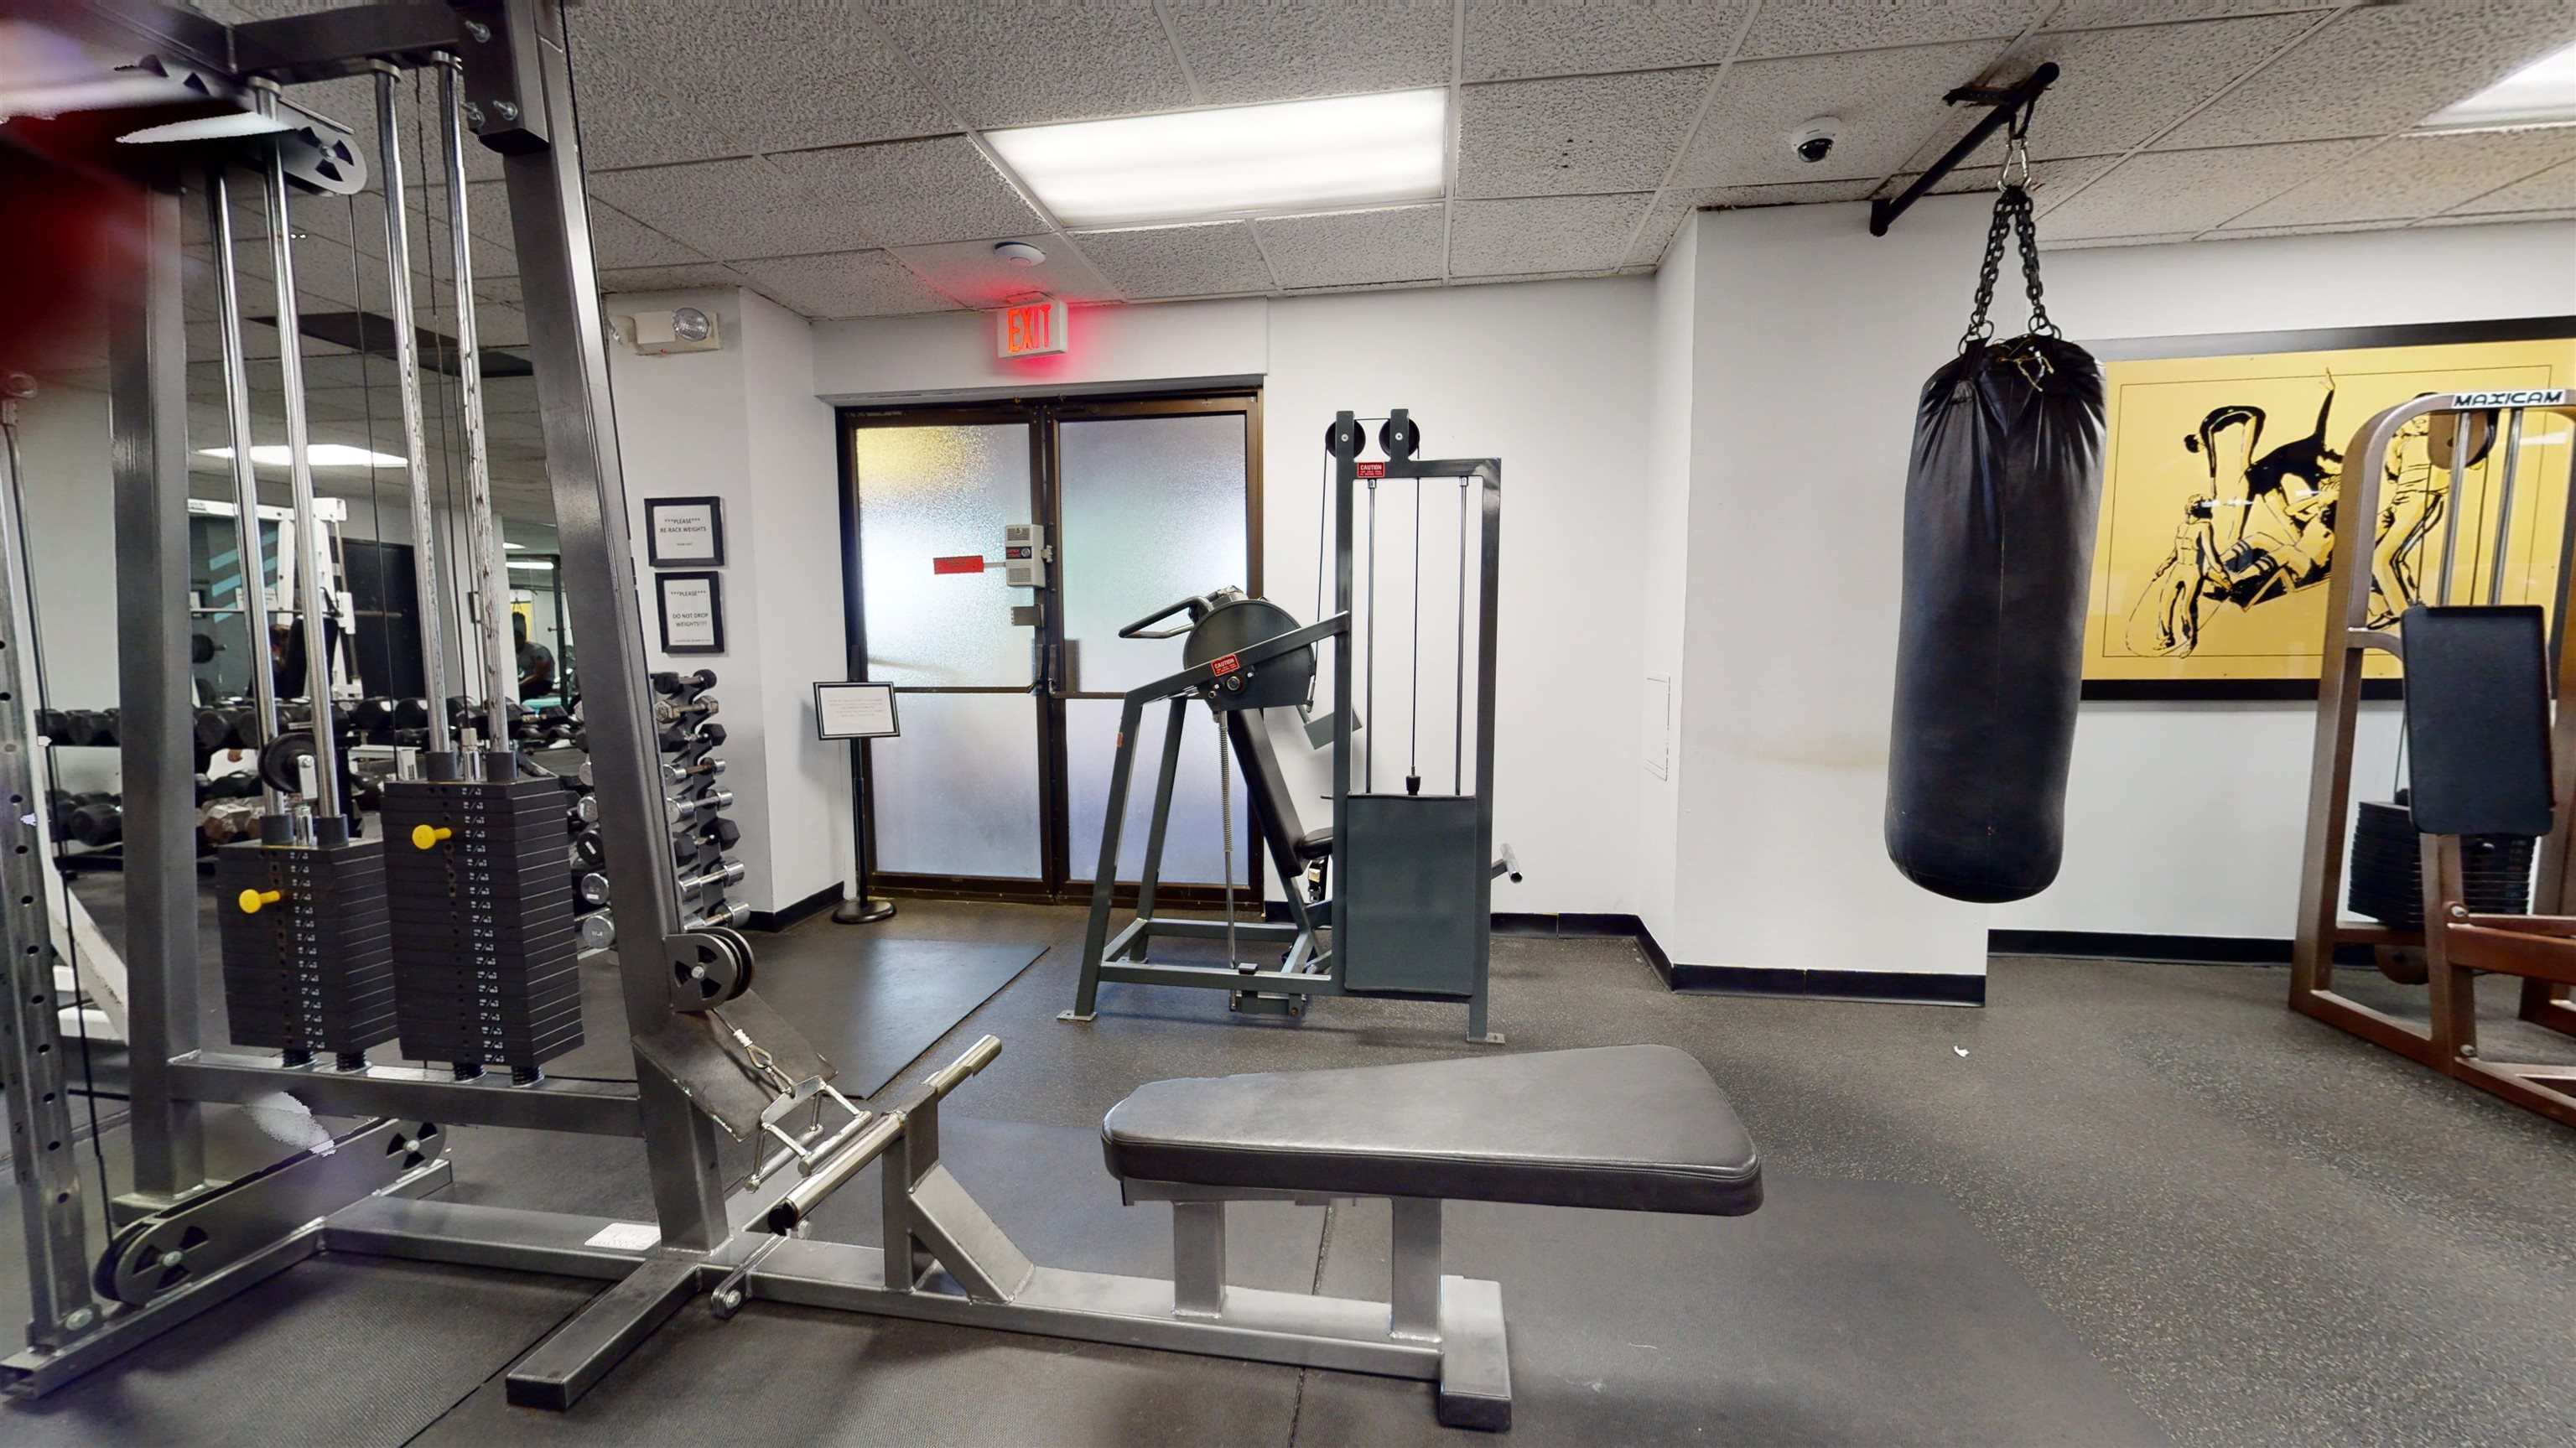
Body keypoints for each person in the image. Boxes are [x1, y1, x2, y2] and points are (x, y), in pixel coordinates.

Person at [515, 613, 556, 698]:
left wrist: (518, 685)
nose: (515, 640)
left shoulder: (537, 650)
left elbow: (539, 675)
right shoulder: (515, 651)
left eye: (517, 637)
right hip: (528, 680)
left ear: (522, 637)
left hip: (543, 682)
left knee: (519, 694)